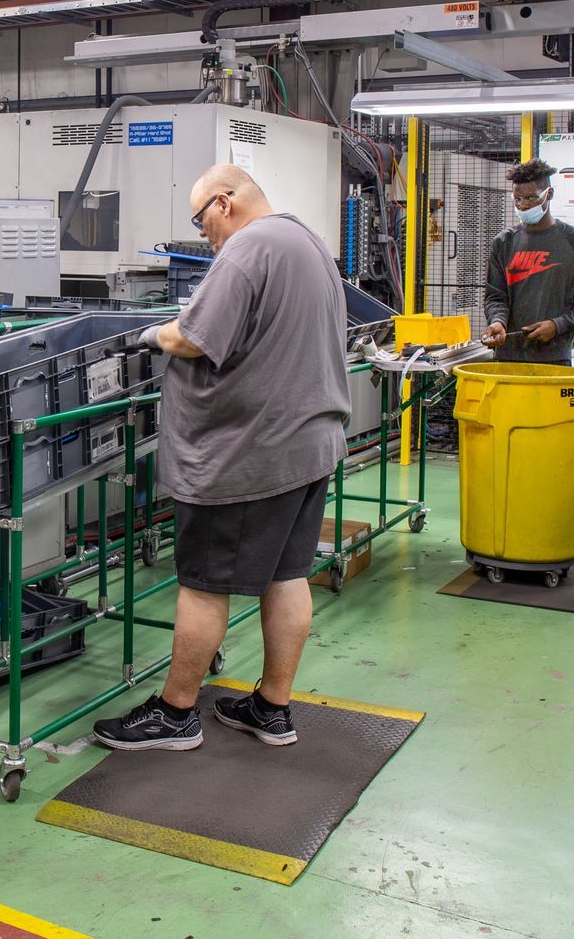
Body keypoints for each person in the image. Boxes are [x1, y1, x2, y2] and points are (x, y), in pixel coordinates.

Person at [92, 165, 351, 752]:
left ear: (225, 202)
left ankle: (176, 713)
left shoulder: (246, 250)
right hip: (307, 446)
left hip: (245, 457)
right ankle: (271, 707)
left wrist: (151, 335)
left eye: (200, 218)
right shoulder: (304, 241)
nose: (203, 232)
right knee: (287, 576)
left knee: (204, 584)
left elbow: (192, 337)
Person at [482, 158, 574, 363]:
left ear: (549, 194)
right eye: (517, 199)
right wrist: (498, 322)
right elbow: (495, 297)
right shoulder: (503, 243)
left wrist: (558, 325)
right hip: (508, 358)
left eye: (531, 198)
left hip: (555, 359)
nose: (523, 206)